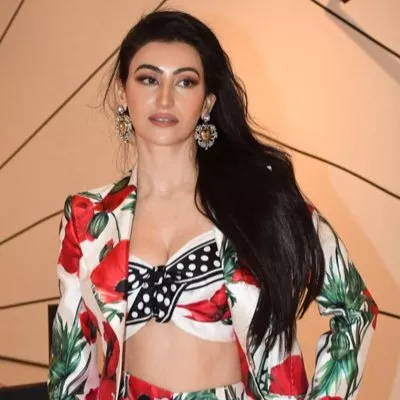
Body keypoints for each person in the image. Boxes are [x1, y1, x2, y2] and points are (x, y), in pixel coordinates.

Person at [47, 10, 378, 400]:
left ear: (207, 102)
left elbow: (355, 309)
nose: (165, 98)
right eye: (149, 79)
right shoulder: (87, 217)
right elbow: (70, 362)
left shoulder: (260, 202)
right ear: (123, 93)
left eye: (185, 82)